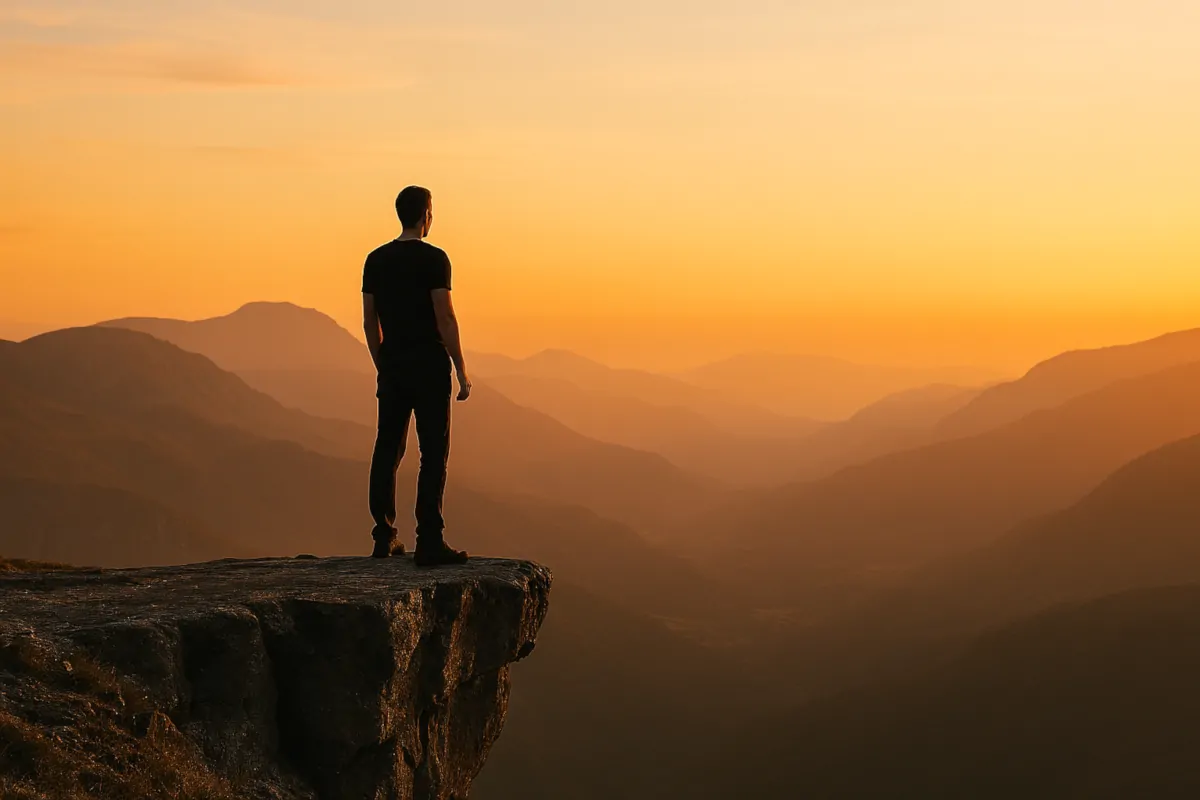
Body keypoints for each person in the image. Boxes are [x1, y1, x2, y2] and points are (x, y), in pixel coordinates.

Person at [362, 186, 471, 565]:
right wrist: (461, 368)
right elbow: (445, 317)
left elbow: (369, 321)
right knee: (433, 452)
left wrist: (383, 363)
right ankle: (429, 540)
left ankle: (384, 536)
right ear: (426, 215)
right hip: (429, 365)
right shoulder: (435, 260)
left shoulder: (375, 260)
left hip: (393, 364)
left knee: (387, 448)